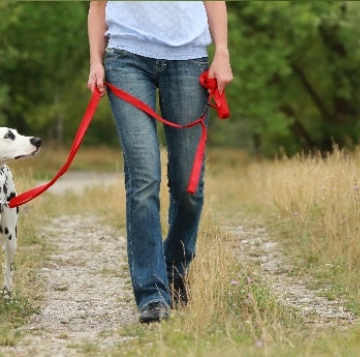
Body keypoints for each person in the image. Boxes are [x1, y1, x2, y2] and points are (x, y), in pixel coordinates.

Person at [87, 1, 233, 323]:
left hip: (188, 60)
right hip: (126, 60)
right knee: (143, 179)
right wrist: (96, 62)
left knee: (188, 186)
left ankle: (174, 269)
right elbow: (98, 6)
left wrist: (222, 52)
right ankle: (152, 295)